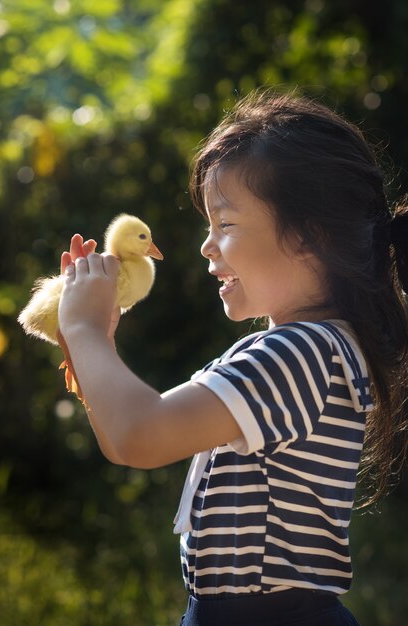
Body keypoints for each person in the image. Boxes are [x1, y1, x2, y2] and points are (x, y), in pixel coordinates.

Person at [57, 91, 408, 626]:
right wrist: (91, 347)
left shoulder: (301, 354)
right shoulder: (305, 349)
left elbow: (140, 435)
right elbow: (125, 435)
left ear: (307, 237)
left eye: (226, 224)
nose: (206, 245)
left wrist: (84, 330)